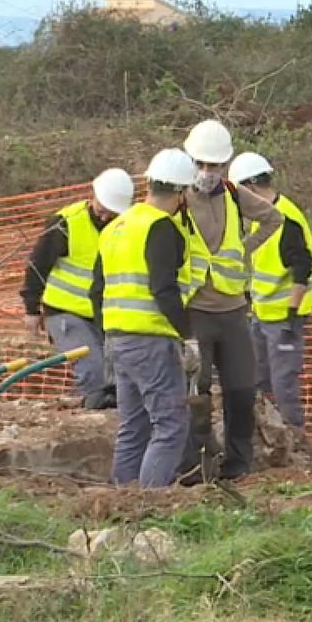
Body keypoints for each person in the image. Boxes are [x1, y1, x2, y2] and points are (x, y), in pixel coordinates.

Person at [175, 119, 283, 483]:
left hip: (233, 310)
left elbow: (273, 218)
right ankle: (197, 467)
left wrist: (242, 252)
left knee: (240, 390)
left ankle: (239, 465)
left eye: (215, 165)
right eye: (201, 164)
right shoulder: (177, 197)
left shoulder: (234, 195)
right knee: (198, 392)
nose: (207, 172)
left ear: (225, 164)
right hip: (195, 312)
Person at [88, 148, 196, 488]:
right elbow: (163, 288)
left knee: (132, 426)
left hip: (118, 339)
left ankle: (124, 498)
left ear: (149, 183)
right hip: (151, 339)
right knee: (170, 424)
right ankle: (151, 502)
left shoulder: (116, 226)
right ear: (181, 193)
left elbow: (96, 291)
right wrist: (188, 334)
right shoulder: (161, 228)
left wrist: (107, 335)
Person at [19, 168, 134, 409]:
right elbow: (38, 265)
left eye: (112, 214)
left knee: (119, 373)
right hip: (64, 312)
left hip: (107, 315)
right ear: (93, 194)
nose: (104, 218)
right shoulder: (66, 223)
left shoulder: (127, 227)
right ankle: (92, 417)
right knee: (93, 370)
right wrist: (31, 309)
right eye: (102, 210)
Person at [228, 152, 312, 431]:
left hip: (283, 319)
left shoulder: (286, 220)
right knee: (260, 380)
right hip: (262, 315)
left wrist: (292, 315)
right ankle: (268, 438)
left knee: (283, 384)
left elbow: (301, 269)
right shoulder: (263, 218)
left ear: (251, 187)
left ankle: (295, 440)